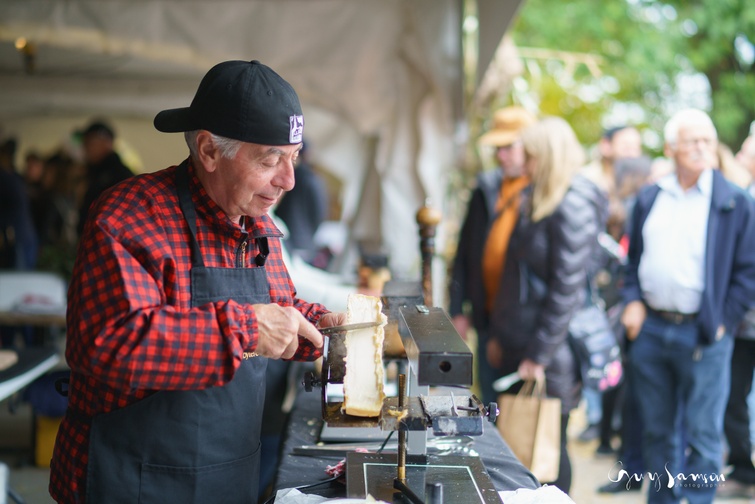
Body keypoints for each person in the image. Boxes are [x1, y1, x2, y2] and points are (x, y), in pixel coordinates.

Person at [49, 59, 346, 504]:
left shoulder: (256, 223)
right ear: (208, 151)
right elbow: (108, 343)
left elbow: (276, 308)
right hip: (131, 481)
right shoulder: (128, 217)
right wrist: (247, 328)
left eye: (294, 158)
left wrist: (326, 326)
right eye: (270, 160)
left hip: (228, 475)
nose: (288, 180)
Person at [621, 108, 755, 504]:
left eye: (706, 140)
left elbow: (748, 272)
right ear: (671, 148)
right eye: (691, 140)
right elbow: (632, 262)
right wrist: (632, 302)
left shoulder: (734, 201)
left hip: (705, 332)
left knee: (703, 434)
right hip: (653, 330)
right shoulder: (650, 197)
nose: (700, 147)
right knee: (658, 432)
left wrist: (723, 321)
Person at [488, 116, 608, 494]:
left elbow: (565, 291)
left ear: (548, 157)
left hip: (550, 352)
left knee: (548, 449)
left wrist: (538, 355)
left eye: (532, 156)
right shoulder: (539, 196)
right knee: (523, 446)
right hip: (525, 340)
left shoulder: (571, 204)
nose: (525, 164)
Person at [448, 105, 536, 406]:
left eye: (509, 147)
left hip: (525, 324)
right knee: (488, 404)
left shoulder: (542, 191)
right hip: (486, 317)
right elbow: (464, 252)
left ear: (531, 146)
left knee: (521, 411)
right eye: (498, 148)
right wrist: (458, 308)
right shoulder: (486, 187)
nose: (502, 156)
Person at [715, 133, 755, 500]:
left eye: (747, 147)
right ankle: (744, 468)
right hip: (744, 324)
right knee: (735, 398)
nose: (741, 153)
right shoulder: (742, 196)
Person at [274, 140, 330, 265]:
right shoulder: (313, 178)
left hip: (286, 236)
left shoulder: (288, 176)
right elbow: (320, 213)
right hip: (303, 241)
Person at [75, 119, 134, 236]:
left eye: (90, 143)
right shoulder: (93, 172)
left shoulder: (121, 176)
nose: (85, 148)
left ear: (107, 143)